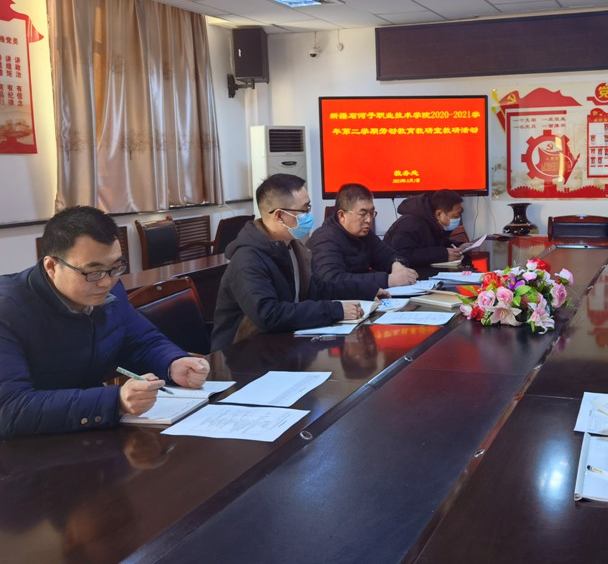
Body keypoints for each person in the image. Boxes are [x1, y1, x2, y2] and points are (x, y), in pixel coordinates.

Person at [0, 206, 210, 439]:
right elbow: (9, 408)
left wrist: (173, 363)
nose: (106, 283)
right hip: (25, 447)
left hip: (88, 434)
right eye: (94, 272)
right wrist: (115, 401)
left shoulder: (109, 289)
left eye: (115, 268)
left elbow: (140, 340)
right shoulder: (8, 310)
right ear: (51, 266)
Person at [211, 174, 362, 351]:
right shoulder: (247, 259)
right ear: (279, 215)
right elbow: (268, 315)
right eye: (304, 210)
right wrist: (335, 310)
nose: (309, 215)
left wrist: (367, 291)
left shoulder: (293, 247)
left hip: (281, 344)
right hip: (241, 354)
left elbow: (317, 289)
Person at [308, 183, 418, 299]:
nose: (369, 220)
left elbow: (389, 255)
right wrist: (388, 280)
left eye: (371, 213)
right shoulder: (325, 239)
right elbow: (332, 280)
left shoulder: (365, 235)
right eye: (363, 214)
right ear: (341, 215)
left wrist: (397, 264)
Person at [383, 190, 470, 266]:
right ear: (439, 214)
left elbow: (438, 242)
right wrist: (443, 254)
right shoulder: (412, 223)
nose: (458, 219)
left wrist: (459, 246)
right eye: (456, 216)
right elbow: (402, 255)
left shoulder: (431, 221)